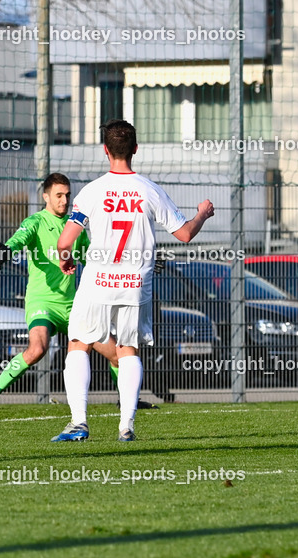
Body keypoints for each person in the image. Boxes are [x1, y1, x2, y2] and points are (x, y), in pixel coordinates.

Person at [51, 120, 214, 442]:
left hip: (98, 281)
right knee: (128, 349)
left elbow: (64, 243)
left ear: (105, 150)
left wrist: (67, 260)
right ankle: (126, 426)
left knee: (78, 343)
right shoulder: (149, 189)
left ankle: (79, 423)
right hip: (135, 283)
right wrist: (202, 214)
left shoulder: (92, 191)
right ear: (135, 149)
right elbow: (184, 233)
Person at [0, 173, 144, 409]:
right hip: (42, 302)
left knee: (117, 354)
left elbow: (96, 258)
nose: (64, 201)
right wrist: (7, 250)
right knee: (37, 348)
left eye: (67, 195)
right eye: (58, 195)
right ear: (46, 196)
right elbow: (19, 238)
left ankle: (127, 401)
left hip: (72, 306)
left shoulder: (75, 228)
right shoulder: (35, 222)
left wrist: (131, 263)